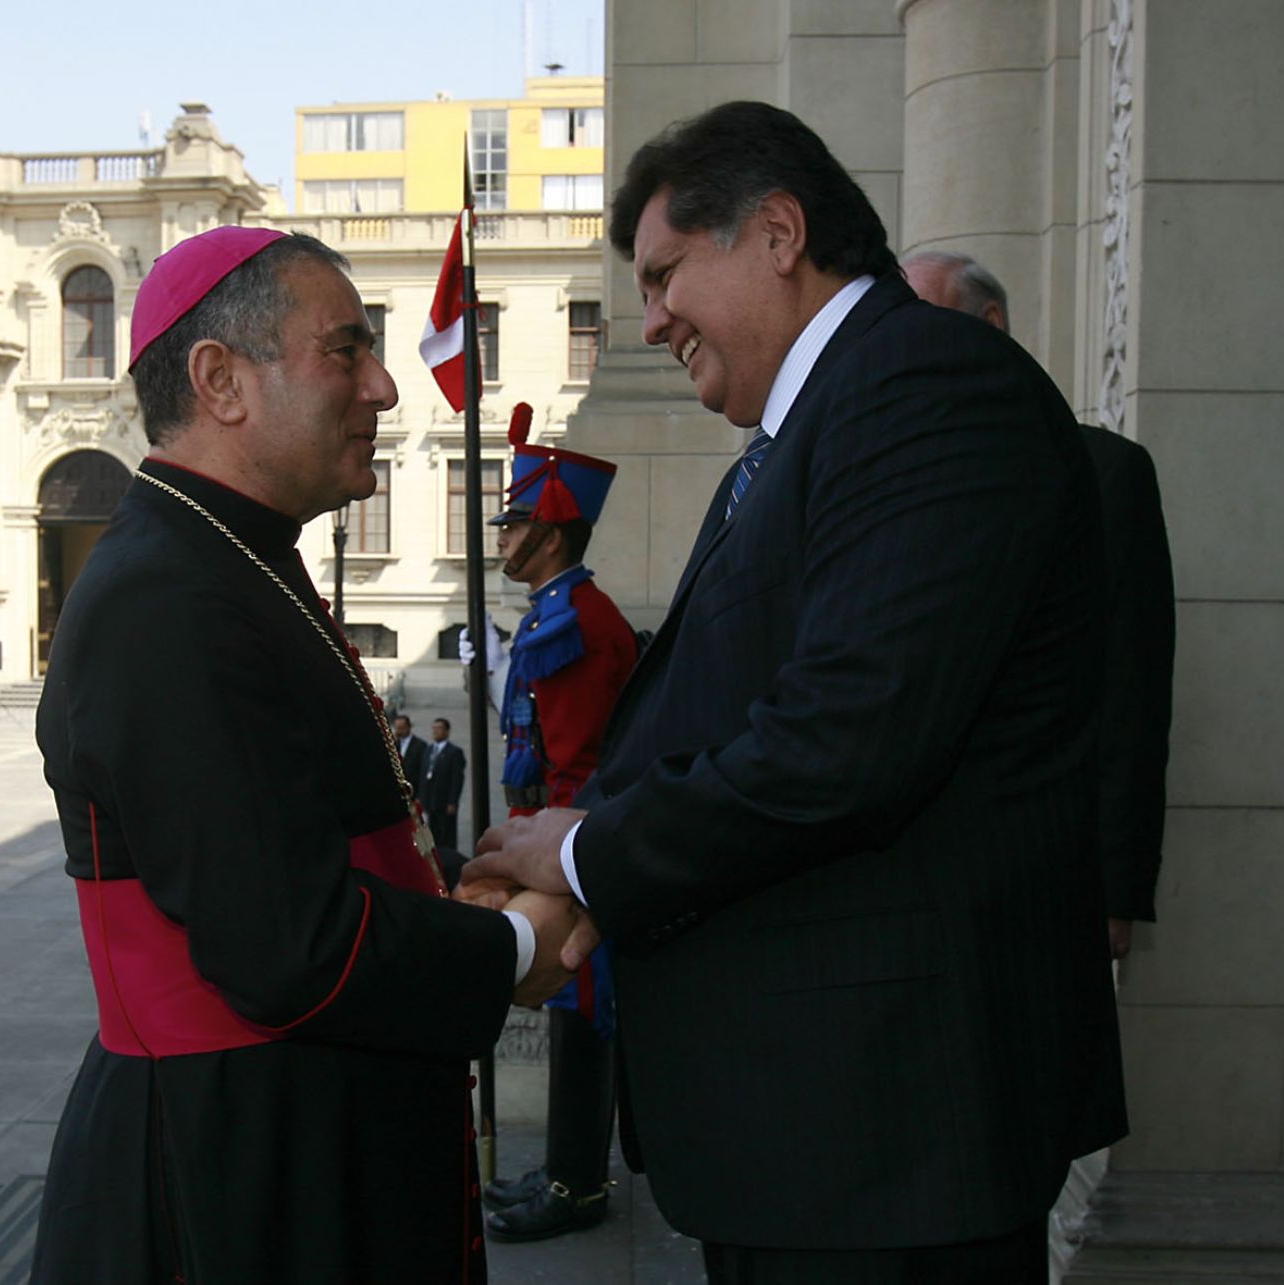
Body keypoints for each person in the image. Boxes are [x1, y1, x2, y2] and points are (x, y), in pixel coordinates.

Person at [460, 102, 1125, 1282]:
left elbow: (847, 741)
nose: (652, 316)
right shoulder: (816, 422)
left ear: (776, 231)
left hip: (889, 1135)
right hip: (826, 1132)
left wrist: (588, 855)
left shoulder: (925, 388)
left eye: (665, 274)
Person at [31, 225, 581, 1283]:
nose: (383, 386)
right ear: (220, 379)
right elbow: (284, 941)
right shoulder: (167, 594)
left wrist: (449, 898)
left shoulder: (233, 555)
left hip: (308, 1128)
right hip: (238, 1170)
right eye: (345, 349)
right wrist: (512, 948)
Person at [902, 248, 1176, 959]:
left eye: (921, 323)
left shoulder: (1103, 474)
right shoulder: (892, 485)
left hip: (1045, 876)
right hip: (907, 885)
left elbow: (1131, 690)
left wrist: (1114, 888)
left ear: (989, 325)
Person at [461, 408, 637, 1242]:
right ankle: (567, 1169)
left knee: (581, 1010)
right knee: (567, 1010)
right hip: (549, 839)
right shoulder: (553, 610)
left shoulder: (577, 622)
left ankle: (576, 1184)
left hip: (569, 848)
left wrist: (539, 860)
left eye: (516, 522)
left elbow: (576, 763)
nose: (502, 537)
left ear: (553, 531)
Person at [421, 717, 466, 850]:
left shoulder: (454, 752)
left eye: (439, 728)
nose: (436, 731)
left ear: (447, 731)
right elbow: (423, 776)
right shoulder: (428, 750)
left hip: (445, 801)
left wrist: (453, 801)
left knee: (447, 833)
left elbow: (457, 779)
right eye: (434, 728)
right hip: (430, 801)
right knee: (432, 833)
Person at [392, 713, 429, 793]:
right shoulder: (393, 744)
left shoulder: (420, 745)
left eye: (402, 728)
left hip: (413, 787)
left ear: (409, 727)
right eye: (397, 728)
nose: (399, 731)